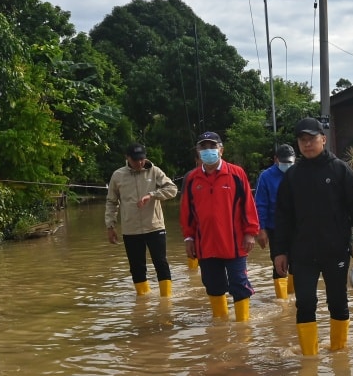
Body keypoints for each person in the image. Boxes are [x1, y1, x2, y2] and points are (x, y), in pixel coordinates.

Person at [271, 117, 353, 355]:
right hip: (302, 253)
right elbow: (283, 217)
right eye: (302, 140)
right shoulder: (292, 176)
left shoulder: (340, 170)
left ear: (323, 139)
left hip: (335, 249)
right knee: (305, 303)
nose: (307, 144)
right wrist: (280, 252)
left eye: (312, 139)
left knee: (337, 302)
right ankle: (309, 357)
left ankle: (339, 353)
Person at [179, 131, 261, 321]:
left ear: (221, 150)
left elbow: (248, 205)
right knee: (213, 285)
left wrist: (250, 233)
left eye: (212, 147)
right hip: (205, 244)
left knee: (239, 284)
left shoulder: (236, 173)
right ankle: (220, 328)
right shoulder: (192, 179)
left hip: (234, 243)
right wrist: (188, 238)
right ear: (198, 152)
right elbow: (187, 213)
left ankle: (243, 328)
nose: (208, 151)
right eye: (203, 147)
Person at [105, 143, 179, 296]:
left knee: (161, 263)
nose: (139, 163)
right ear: (127, 158)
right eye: (135, 160)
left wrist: (152, 194)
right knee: (136, 267)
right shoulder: (118, 175)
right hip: (131, 230)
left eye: (142, 159)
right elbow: (111, 202)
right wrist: (110, 226)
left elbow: (172, 189)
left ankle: (166, 300)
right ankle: (143, 300)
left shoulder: (154, 171)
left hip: (155, 226)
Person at [254, 143, 297, 299]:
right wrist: (261, 229)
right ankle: (282, 300)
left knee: (297, 261)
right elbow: (260, 204)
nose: (286, 165)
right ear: (275, 160)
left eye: (290, 162)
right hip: (275, 228)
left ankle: (292, 296)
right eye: (283, 162)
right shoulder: (265, 177)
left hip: (296, 227)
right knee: (278, 262)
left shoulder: (298, 173)